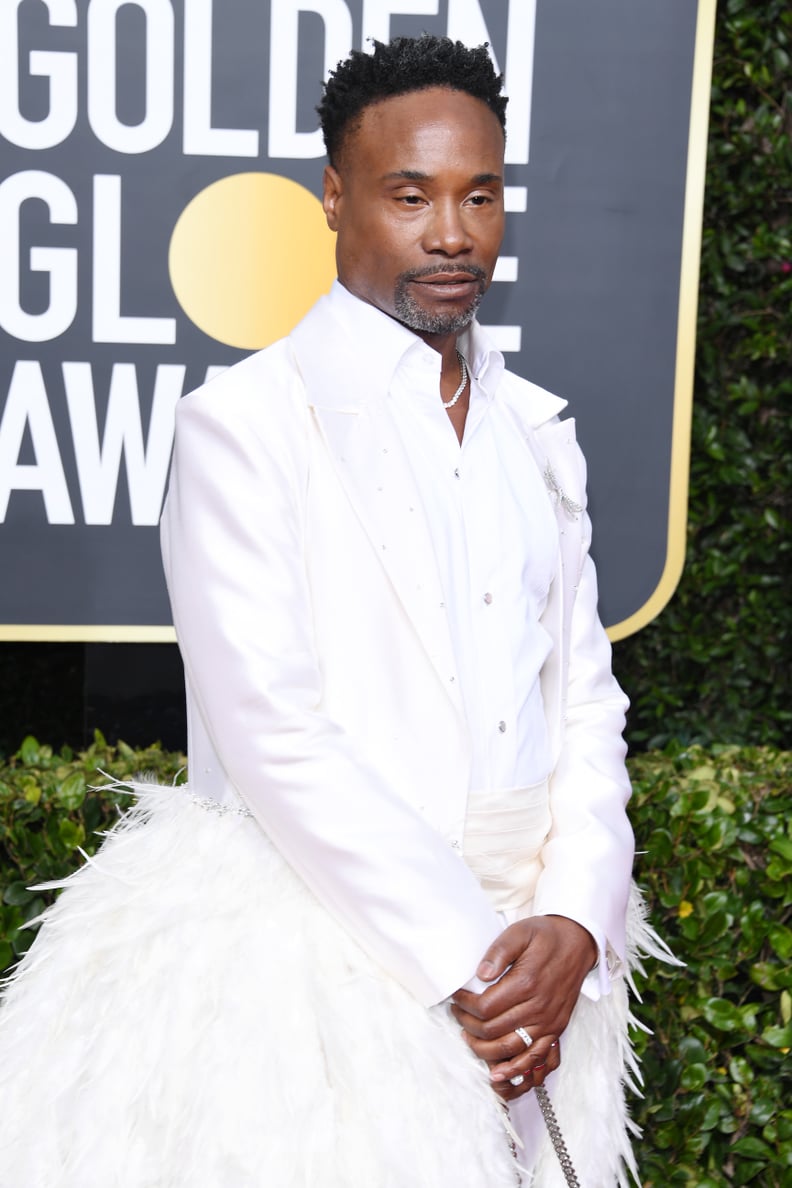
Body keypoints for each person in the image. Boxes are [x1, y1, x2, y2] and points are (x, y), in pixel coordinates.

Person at [0, 34, 666, 1188]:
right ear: (334, 196)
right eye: (411, 195)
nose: (453, 233)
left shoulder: (540, 433)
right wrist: (474, 964)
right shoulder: (245, 426)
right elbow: (272, 733)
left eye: (481, 194)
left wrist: (574, 920)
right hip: (324, 956)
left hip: (542, 973)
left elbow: (587, 702)